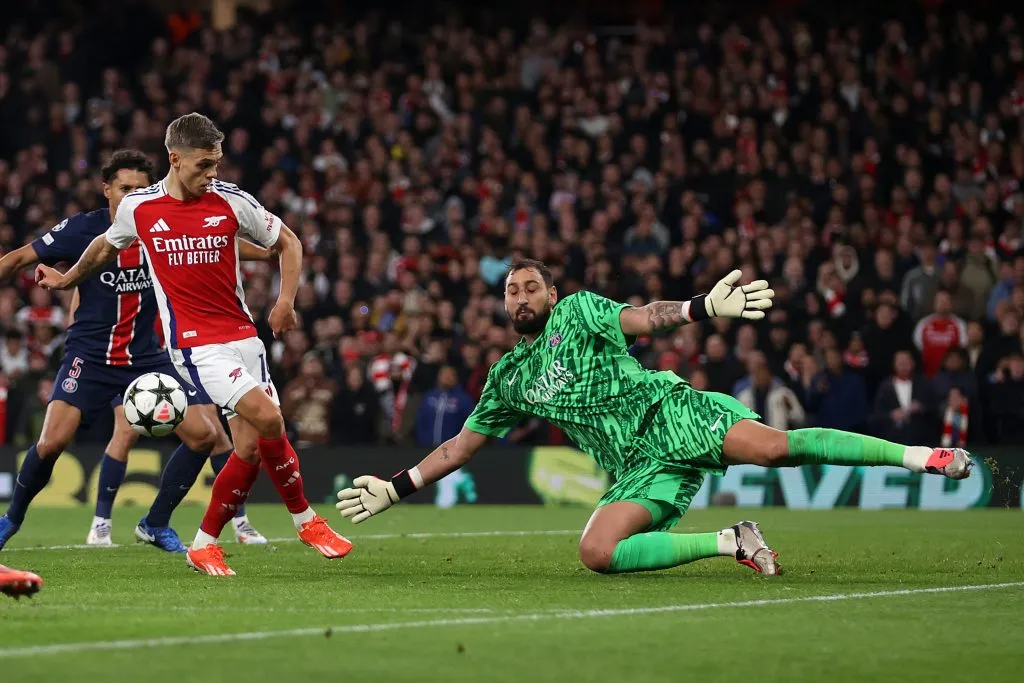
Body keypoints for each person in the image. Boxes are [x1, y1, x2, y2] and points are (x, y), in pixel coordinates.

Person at [337, 259, 973, 576]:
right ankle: (733, 541)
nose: (521, 295)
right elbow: (457, 448)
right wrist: (395, 488)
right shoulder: (507, 380)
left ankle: (922, 458)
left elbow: (641, 317)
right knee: (595, 552)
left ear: (551, 295)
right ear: (502, 304)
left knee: (776, 449)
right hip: (635, 467)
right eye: (511, 290)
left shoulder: (577, 313)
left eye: (531, 286)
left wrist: (701, 307)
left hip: (671, 413)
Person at [37, 114, 352, 576]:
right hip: (195, 347)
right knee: (269, 418)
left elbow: (289, 242)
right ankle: (306, 520)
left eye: (217, 164)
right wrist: (68, 280)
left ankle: (204, 544)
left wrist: (285, 301)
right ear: (175, 159)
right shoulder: (140, 207)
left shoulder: (231, 201)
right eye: (204, 166)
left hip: (244, 336)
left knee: (246, 448)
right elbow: (106, 246)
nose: (213, 175)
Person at [0, 149, 269, 553]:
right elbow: (20, 258)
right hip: (89, 355)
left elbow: (221, 242)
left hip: (147, 357)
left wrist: (270, 249)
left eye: (142, 188)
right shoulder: (82, 229)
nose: (132, 196)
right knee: (52, 443)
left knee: (205, 436)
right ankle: (11, 520)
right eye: (124, 188)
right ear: (106, 190)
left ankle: (154, 523)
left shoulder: (159, 222)